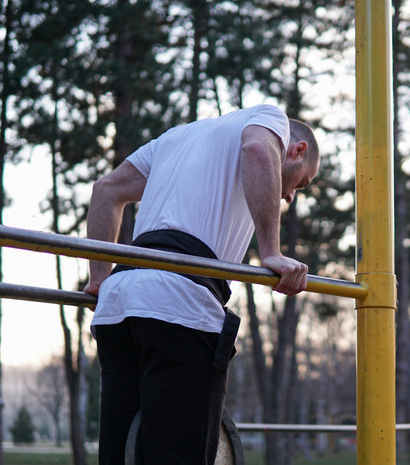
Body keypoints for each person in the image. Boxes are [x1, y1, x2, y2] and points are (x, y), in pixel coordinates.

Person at [83, 104, 320, 465]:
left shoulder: (175, 139)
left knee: (123, 456)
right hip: (180, 302)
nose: (289, 197)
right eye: (300, 184)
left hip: (119, 303)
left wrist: (99, 280)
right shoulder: (268, 119)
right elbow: (257, 149)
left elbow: (106, 190)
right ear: (295, 149)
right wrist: (271, 251)